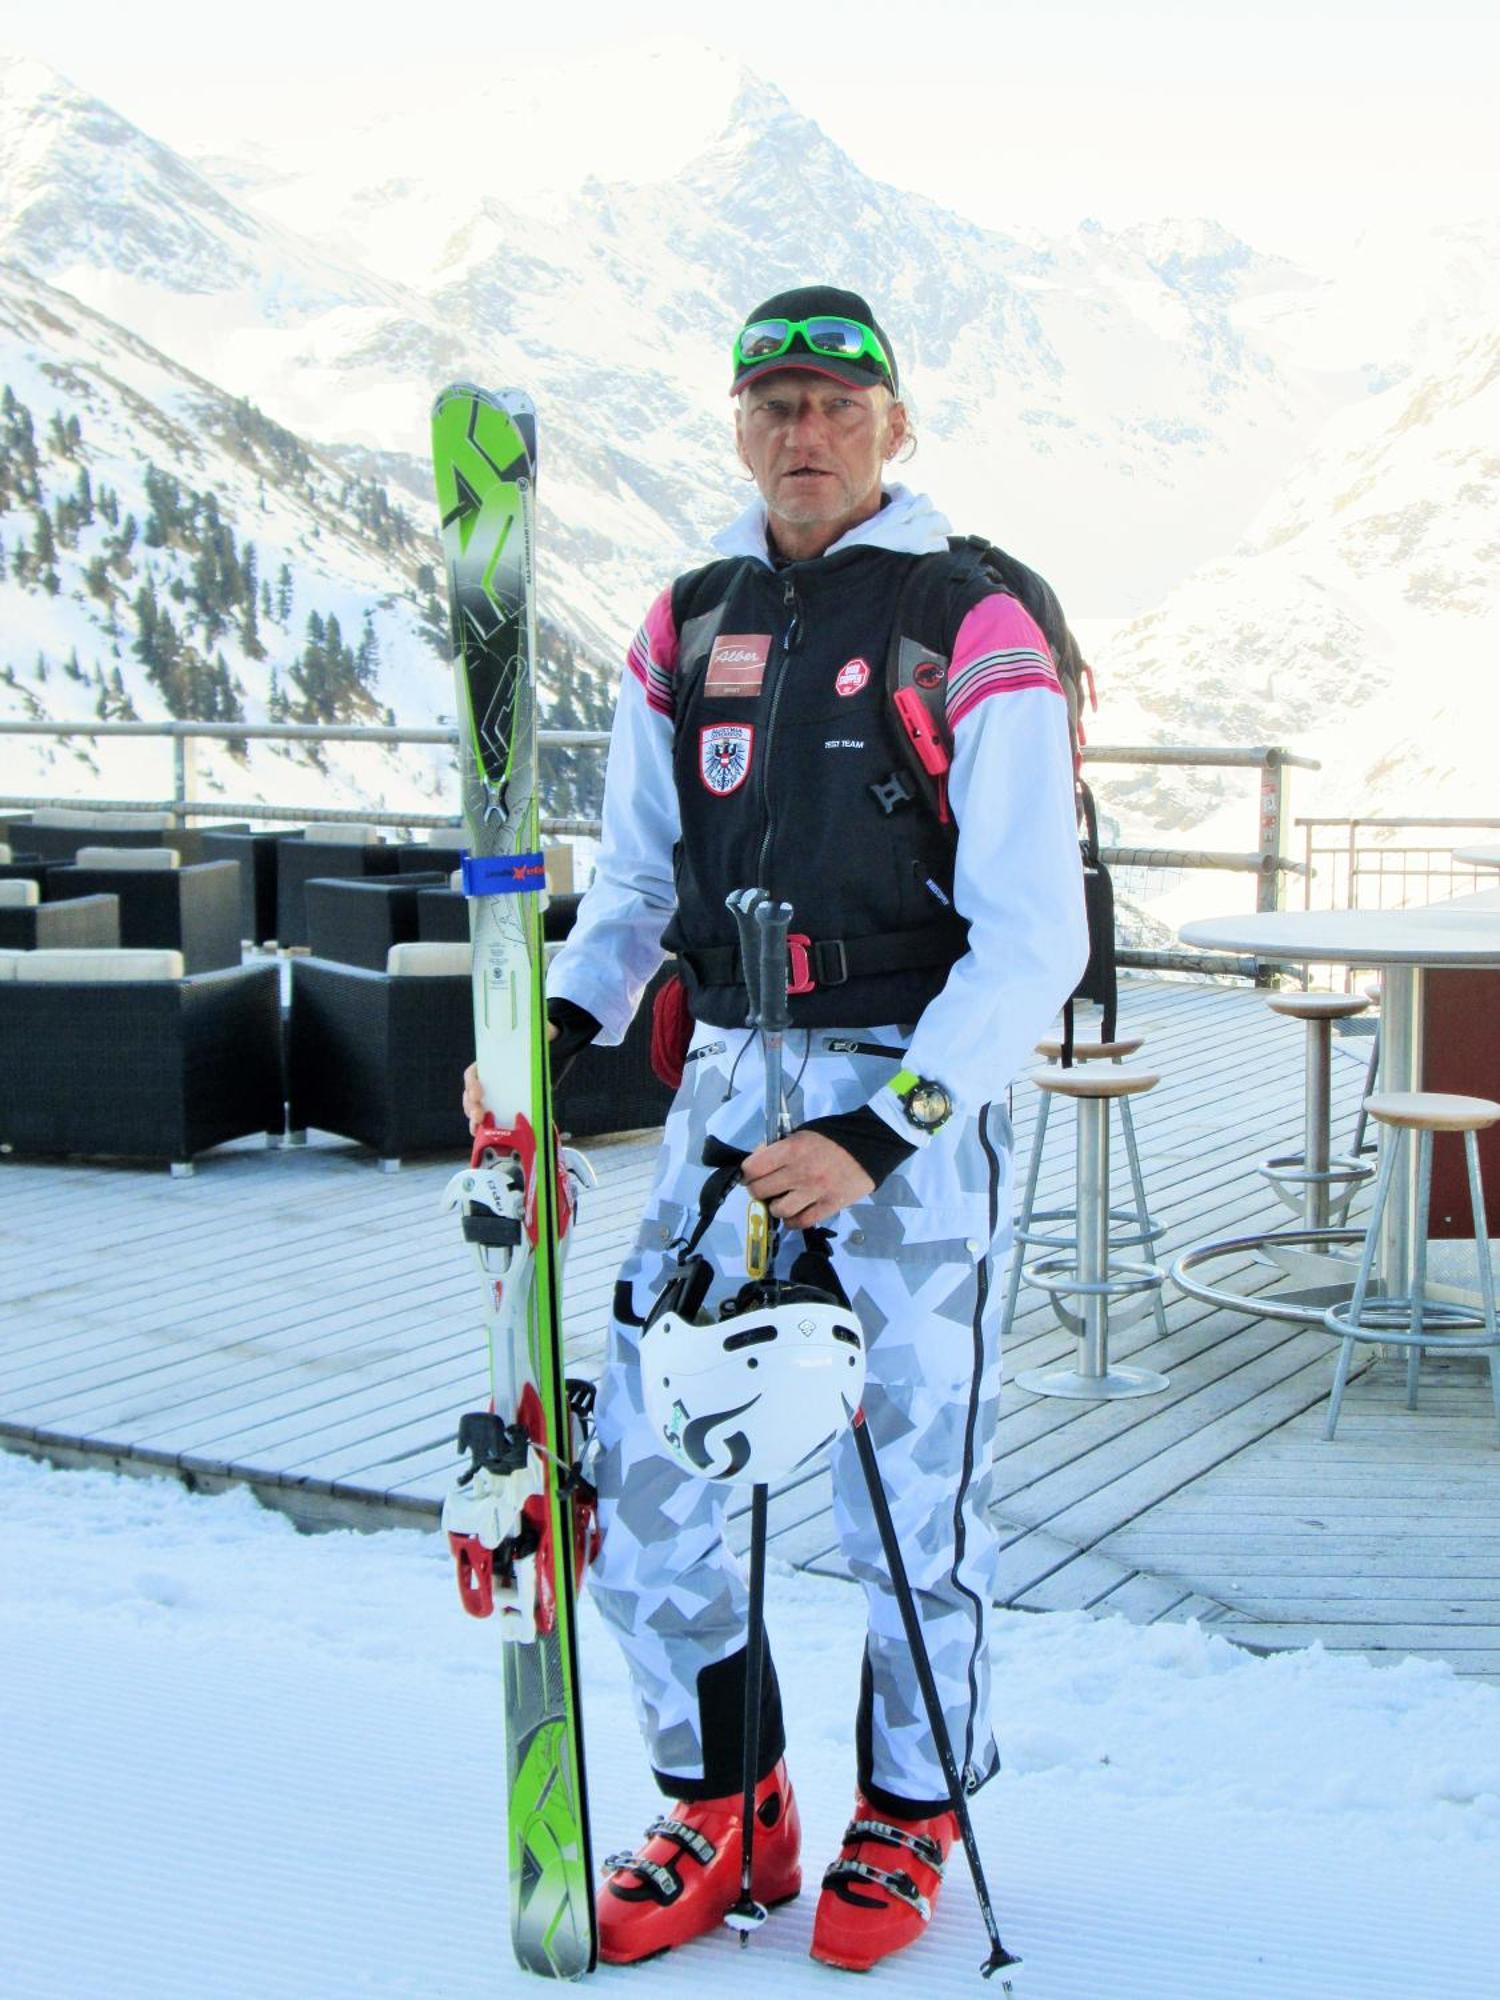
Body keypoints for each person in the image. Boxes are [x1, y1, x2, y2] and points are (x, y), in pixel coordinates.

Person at [463, 283, 1089, 1971]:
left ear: (895, 423)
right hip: (731, 1084)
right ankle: (724, 1794)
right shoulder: (691, 619)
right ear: (736, 425)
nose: (800, 433)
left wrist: (878, 1137)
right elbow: (641, 891)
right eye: (771, 406)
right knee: (644, 1472)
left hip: (906, 1091)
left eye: (833, 403)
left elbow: (1036, 942)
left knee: (907, 1491)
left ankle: (912, 1814)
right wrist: (546, 1044)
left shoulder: (975, 621)